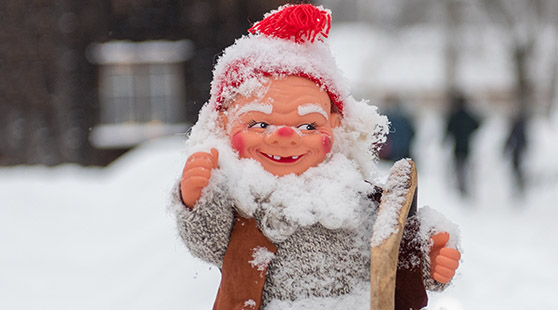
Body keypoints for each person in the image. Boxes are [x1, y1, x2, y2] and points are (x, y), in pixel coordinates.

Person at [168, 5, 461, 310]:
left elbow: (390, 251)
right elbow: (207, 241)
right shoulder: (243, 205)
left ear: (335, 126)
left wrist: (426, 255)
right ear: (225, 123)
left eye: (308, 125)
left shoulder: (356, 201)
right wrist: (199, 200)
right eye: (260, 124)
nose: (284, 136)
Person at [444, 91, 481, 197]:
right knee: (465, 168)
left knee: (459, 168)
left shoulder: (454, 116)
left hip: (458, 147)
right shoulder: (467, 115)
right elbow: (476, 124)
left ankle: (461, 189)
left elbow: (448, 130)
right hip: (466, 146)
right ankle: (464, 189)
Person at [379, 95, 416, 162]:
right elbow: (412, 133)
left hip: (390, 154)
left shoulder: (384, 118)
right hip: (404, 152)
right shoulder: (405, 117)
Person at [504, 111, 529, 196]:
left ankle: (520, 185)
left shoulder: (518, 126)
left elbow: (512, 138)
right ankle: (519, 185)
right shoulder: (522, 126)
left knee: (518, 168)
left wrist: (506, 148)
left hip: (517, 150)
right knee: (518, 168)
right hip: (518, 150)